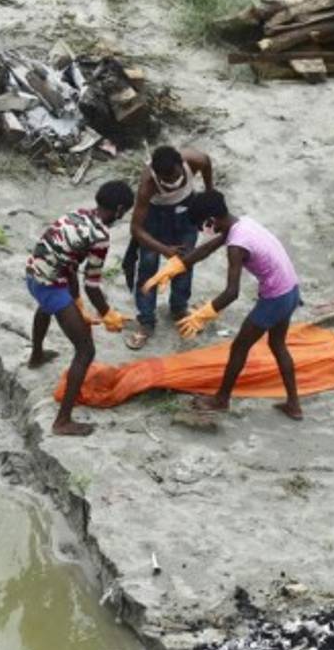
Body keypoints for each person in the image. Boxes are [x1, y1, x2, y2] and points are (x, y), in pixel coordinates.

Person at [144, 189, 302, 420]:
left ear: (212, 220)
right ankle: (294, 404)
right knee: (277, 344)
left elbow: (232, 292)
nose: (202, 231)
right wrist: (175, 267)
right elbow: (206, 249)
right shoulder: (241, 224)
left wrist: (203, 314)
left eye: (202, 225)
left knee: (239, 347)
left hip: (275, 298)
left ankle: (221, 399)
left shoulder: (236, 245)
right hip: (291, 289)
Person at [25, 180, 134, 436]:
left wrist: (76, 300)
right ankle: (62, 421)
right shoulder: (100, 236)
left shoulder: (79, 215)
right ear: (119, 209)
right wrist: (108, 314)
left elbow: (69, 260)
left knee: (45, 308)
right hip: (51, 285)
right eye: (124, 212)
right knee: (85, 350)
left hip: (33, 273)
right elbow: (93, 284)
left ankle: (36, 356)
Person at [125, 144, 214, 350]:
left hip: (186, 212)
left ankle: (179, 309)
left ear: (181, 164)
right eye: (165, 179)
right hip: (155, 219)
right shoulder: (148, 185)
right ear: (156, 175)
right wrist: (163, 249)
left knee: (184, 262)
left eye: (174, 175)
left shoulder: (195, 159)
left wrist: (209, 192)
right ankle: (146, 320)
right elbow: (136, 229)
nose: (172, 181)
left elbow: (207, 163)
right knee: (148, 268)